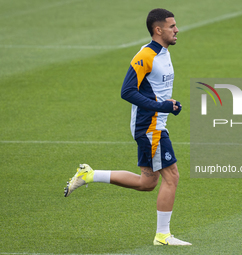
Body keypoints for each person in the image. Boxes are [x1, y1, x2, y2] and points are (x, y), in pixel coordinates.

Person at [64, 8, 191, 246]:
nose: (176, 30)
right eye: (172, 26)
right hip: (150, 126)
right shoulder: (145, 56)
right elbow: (127, 91)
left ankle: (89, 175)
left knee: (147, 183)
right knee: (172, 176)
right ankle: (163, 236)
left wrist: (168, 104)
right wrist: (161, 106)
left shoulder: (163, 53)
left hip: (155, 123)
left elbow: (152, 90)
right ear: (158, 29)